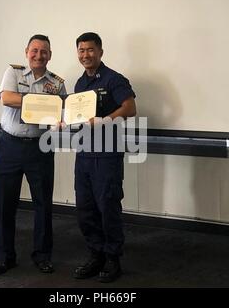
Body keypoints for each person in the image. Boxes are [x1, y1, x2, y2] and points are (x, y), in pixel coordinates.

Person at [0, 35, 66, 275]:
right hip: (9, 146)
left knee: (43, 204)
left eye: (44, 51)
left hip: (40, 147)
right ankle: (5, 257)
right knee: (5, 204)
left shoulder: (57, 84)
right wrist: (39, 103)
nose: (38, 55)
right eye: (34, 50)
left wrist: (59, 121)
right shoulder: (13, 73)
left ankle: (43, 256)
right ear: (26, 52)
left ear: (50, 55)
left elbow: (61, 113)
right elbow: (7, 98)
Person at [72, 32, 136, 283]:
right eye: (81, 50)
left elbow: (130, 108)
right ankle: (95, 255)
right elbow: (79, 117)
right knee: (85, 209)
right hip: (84, 155)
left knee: (107, 207)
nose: (85, 55)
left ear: (100, 51)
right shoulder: (79, 84)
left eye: (90, 50)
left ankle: (113, 260)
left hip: (107, 156)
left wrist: (105, 120)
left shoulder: (113, 79)